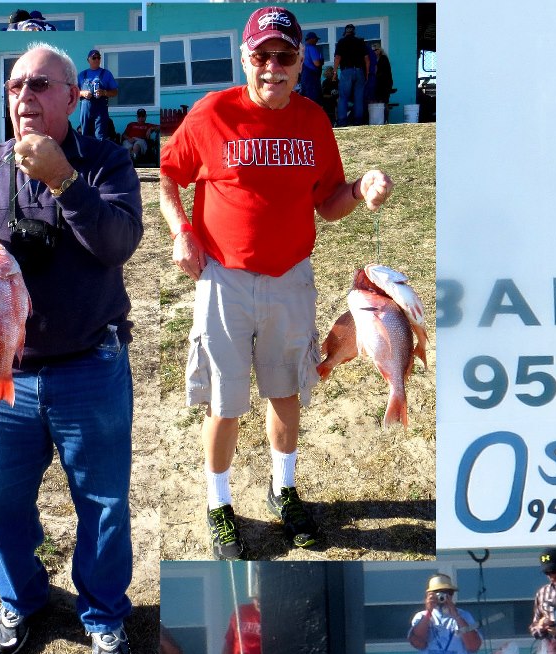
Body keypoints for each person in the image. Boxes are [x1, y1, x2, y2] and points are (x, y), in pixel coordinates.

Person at [0, 43, 143, 654]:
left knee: (102, 500)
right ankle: (21, 599)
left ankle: (102, 610)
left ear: (72, 98)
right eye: (16, 84)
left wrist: (65, 181)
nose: (24, 95)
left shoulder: (104, 161)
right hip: (7, 375)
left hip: (90, 365)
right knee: (0, 500)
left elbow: (119, 243)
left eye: (41, 84)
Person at [159, 5, 394, 557]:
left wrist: (360, 189)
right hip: (225, 280)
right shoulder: (213, 113)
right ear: (246, 58)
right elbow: (169, 175)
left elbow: (329, 202)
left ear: (300, 62)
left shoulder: (313, 120)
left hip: (291, 278)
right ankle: (219, 503)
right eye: (261, 56)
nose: (272, 68)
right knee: (225, 401)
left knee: (286, 391)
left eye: (284, 56)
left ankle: (283, 490)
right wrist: (181, 232)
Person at [76, 51, 117, 143]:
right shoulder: (82, 75)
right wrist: (82, 93)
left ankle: (100, 157)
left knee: (100, 137)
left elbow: (115, 92)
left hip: (100, 110)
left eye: (99, 57)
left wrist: (104, 92)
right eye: (94, 58)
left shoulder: (106, 74)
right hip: (86, 109)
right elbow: (73, 92)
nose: (97, 59)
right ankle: (86, 157)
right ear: (88, 60)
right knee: (85, 136)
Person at [333, 24, 368, 127]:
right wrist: (367, 73)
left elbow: (337, 58)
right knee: (359, 97)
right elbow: (367, 59)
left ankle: (342, 121)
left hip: (346, 71)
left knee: (343, 97)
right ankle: (358, 121)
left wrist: (335, 72)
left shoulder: (341, 42)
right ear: (354, 32)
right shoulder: (360, 42)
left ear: (345, 32)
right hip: (359, 70)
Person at [368, 39, 395, 120]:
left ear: (380, 50)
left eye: (376, 50)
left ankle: (385, 119)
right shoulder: (374, 60)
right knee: (377, 102)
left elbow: (384, 73)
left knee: (383, 102)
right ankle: (379, 119)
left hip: (384, 85)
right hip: (378, 84)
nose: (374, 52)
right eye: (373, 50)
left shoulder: (383, 58)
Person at [298, 31, 323, 105]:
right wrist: (322, 61)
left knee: (305, 98)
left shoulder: (302, 49)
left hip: (304, 76)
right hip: (312, 77)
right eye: (315, 39)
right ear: (311, 39)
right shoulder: (312, 48)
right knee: (313, 99)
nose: (316, 41)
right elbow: (317, 63)